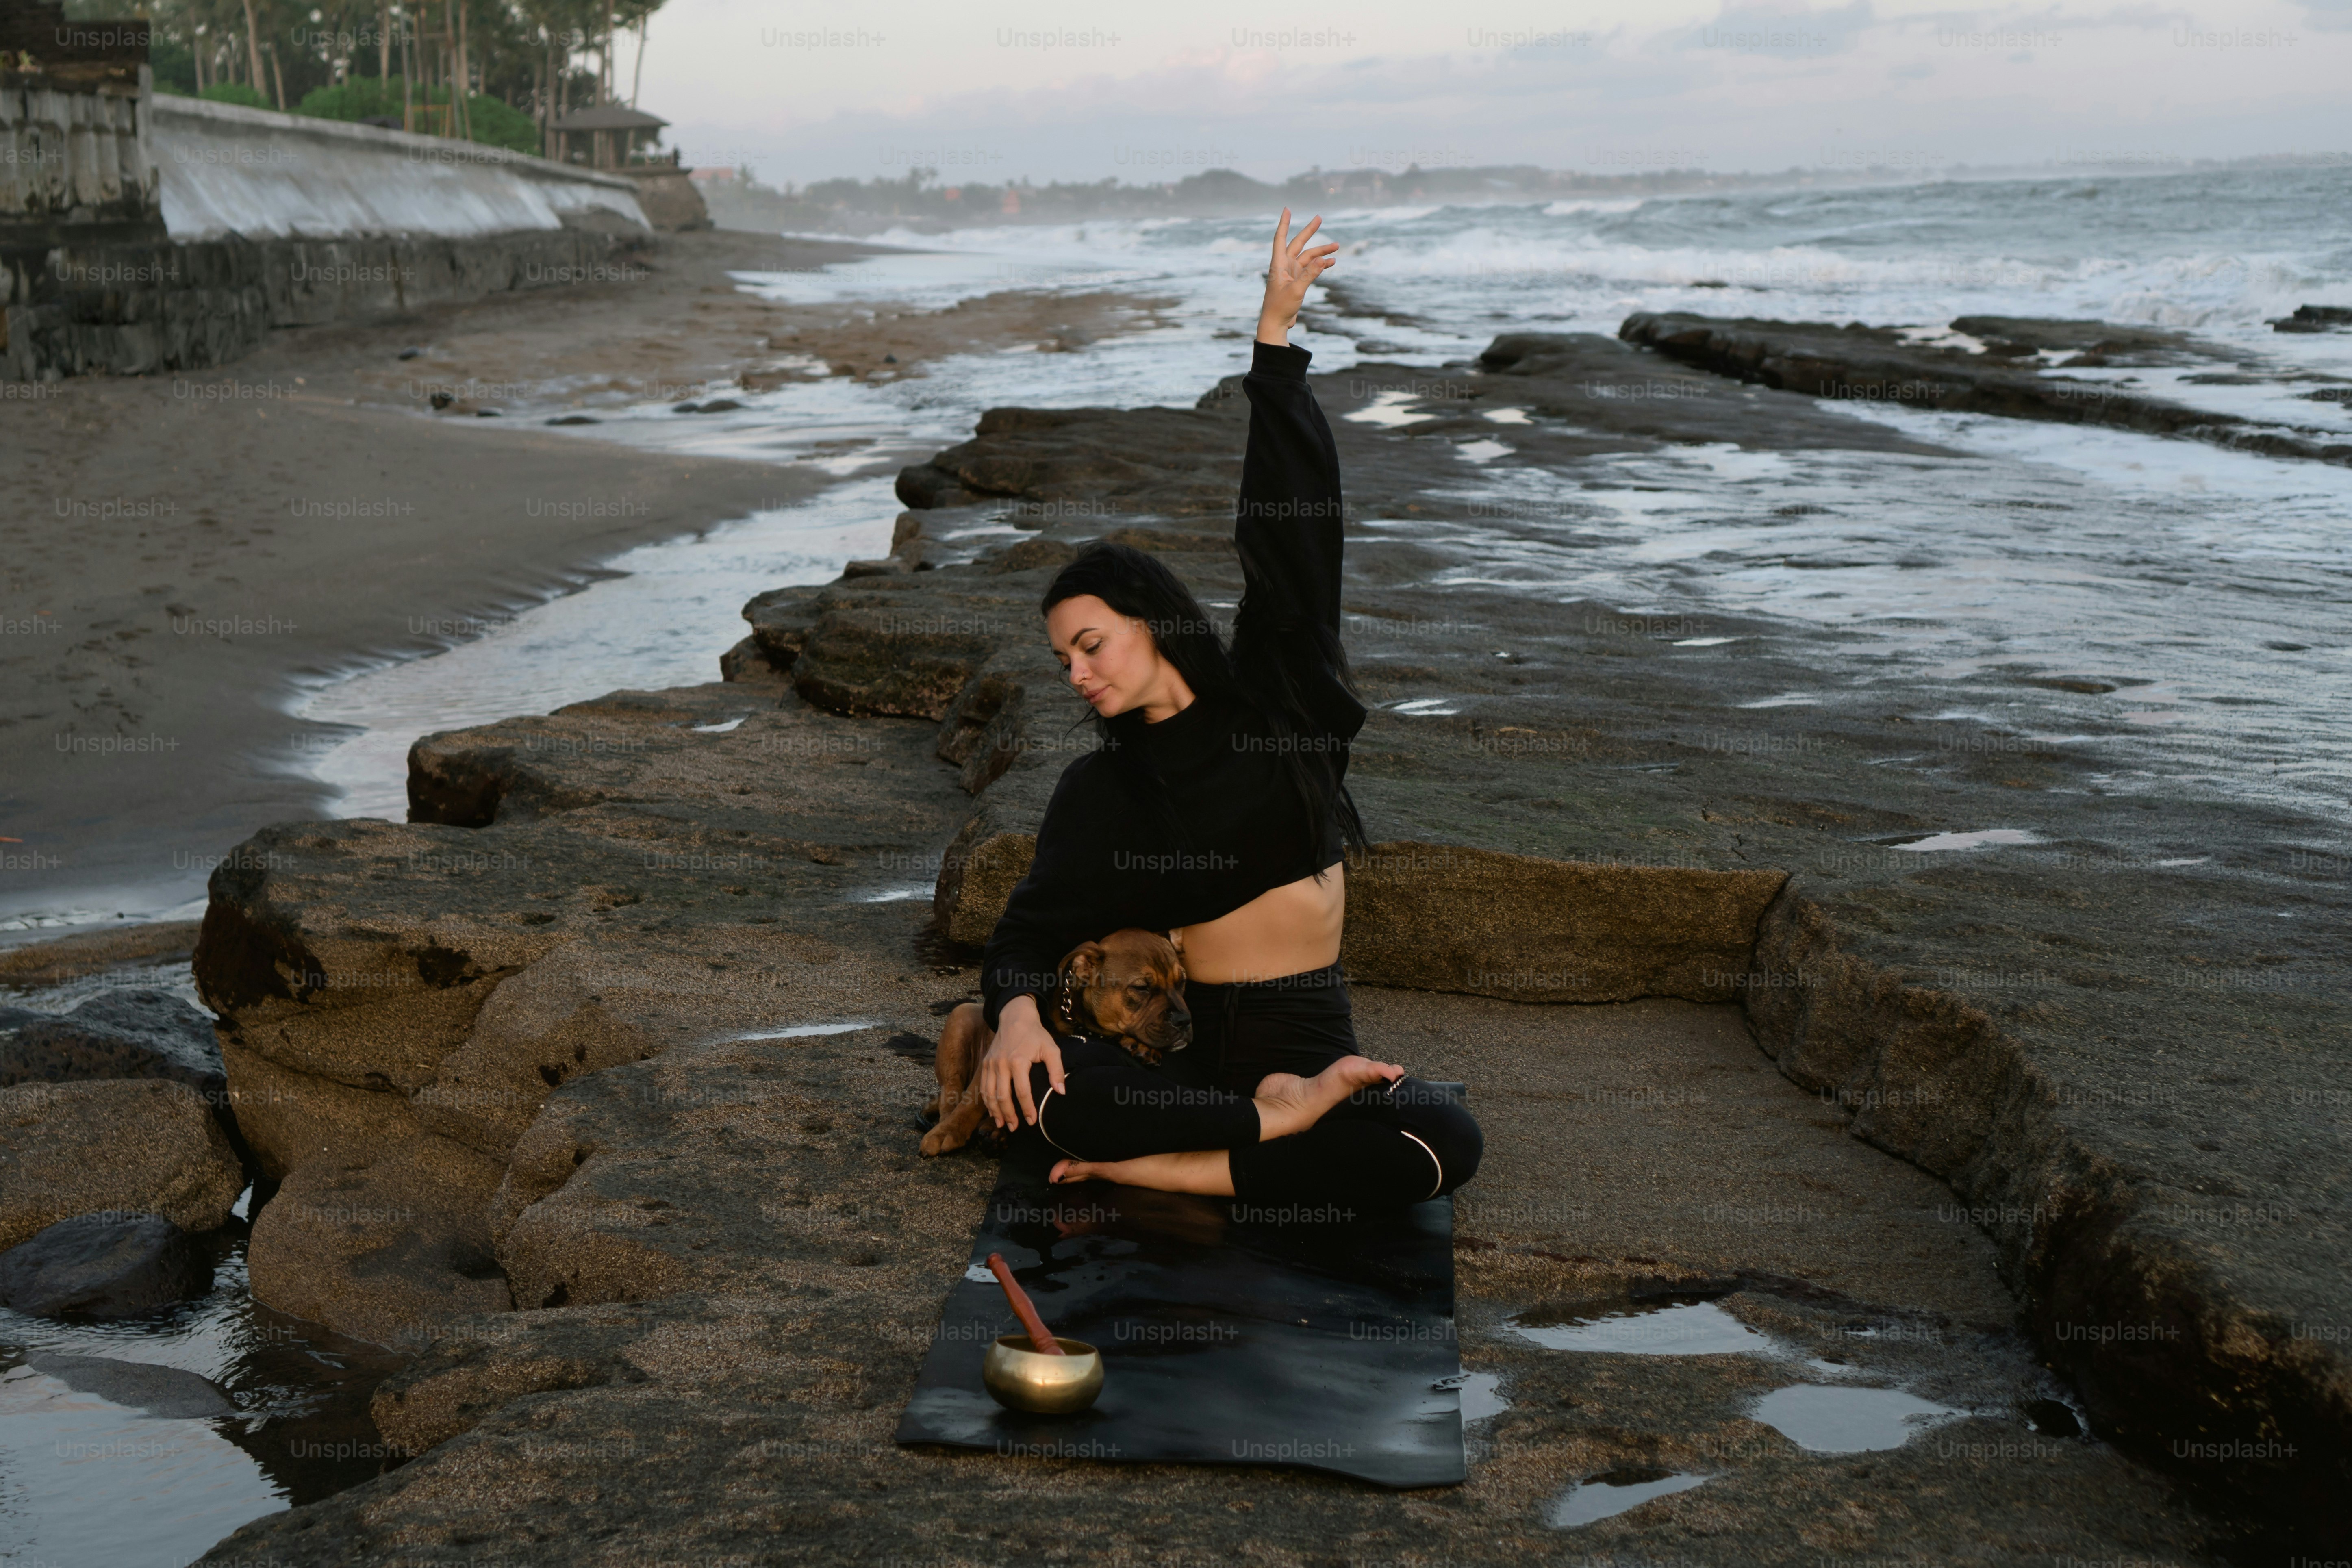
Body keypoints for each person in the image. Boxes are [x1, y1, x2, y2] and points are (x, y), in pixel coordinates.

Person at [972, 211, 1482, 1211]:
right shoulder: (1106, 790)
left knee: (1442, 1143)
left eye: (1090, 644)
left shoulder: (1274, 697)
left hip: (1307, 1037)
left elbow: (1291, 544)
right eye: (1062, 660)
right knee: (1055, 1094)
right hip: (1194, 1046)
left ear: (1151, 620)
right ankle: (1257, 1132)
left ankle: (1165, 1164)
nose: (1076, 675)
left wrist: (1274, 348)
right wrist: (1019, 1018)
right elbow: (1024, 935)